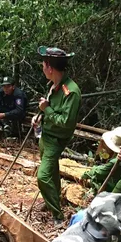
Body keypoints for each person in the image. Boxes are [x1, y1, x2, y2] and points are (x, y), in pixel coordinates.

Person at [33, 46, 81, 222]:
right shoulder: (53, 85)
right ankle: (53, 199)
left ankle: (57, 215)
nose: (42, 68)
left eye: (43, 65)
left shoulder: (71, 91)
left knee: (43, 177)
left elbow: (65, 122)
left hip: (56, 138)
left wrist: (46, 110)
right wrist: (39, 116)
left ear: (50, 67)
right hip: (45, 134)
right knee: (52, 171)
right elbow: (48, 107)